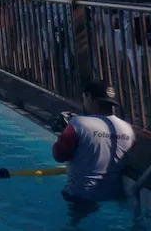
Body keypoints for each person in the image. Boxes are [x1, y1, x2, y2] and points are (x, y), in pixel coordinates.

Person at [52, 80, 135, 222]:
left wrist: (62, 133)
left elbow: (59, 155)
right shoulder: (127, 129)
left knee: (74, 223)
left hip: (80, 196)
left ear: (89, 97)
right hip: (113, 195)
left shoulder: (78, 124)